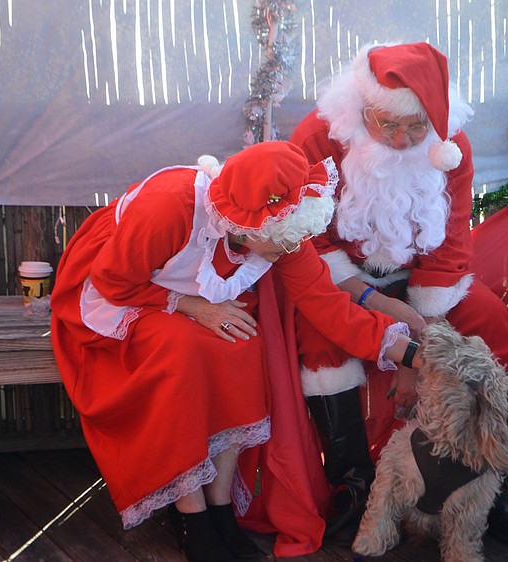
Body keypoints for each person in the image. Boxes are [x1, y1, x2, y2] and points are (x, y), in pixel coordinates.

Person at [49, 141, 424, 562]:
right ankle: (192, 517)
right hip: (123, 291)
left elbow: (328, 307)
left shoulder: (282, 231)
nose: (289, 250)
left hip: (181, 292)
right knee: (182, 351)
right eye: (280, 242)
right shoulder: (167, 207)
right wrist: (191, 306)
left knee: (244, 346)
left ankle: (221, 506)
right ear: (246, 225)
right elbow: (112, 284)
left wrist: (411, 353)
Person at [290, 42, 508, 547]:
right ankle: (354, 484)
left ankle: (493, 489)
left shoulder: (453, 147)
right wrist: (387, 312)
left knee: (489, 320)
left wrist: (418, 332)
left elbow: (451, 244)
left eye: (417, 126)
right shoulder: (318, 137)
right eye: (387, 124)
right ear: (361, 109)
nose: (402, 139)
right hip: (343, 281)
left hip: (428, 287)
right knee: (320, 344)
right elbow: (309, 243)